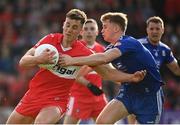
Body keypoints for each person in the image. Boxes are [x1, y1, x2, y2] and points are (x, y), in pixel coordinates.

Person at [6, 9, 146, 124]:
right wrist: (38, 59)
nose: (69, 30)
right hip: (33, 95)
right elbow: (23, 62)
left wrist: (131, 77)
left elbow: (107, 73)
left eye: (74, 27)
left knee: (41, 123)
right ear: (63, 24)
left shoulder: (84, 52)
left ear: (80, 31)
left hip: (57, 101)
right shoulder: (49, 40)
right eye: (67, 25)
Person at [59, 12, 164, 124]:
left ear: (115, 28)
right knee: (102, 122)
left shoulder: (128, 42)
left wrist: (72, 60)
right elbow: (107, 72)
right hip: (128, 92)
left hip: (149, 96)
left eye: (105, 26)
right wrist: (130, 77)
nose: (102, 30)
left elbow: (104, 58)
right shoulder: (110, 48)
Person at [127, 16, 180, 124]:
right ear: (147, 30)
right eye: (151, 29)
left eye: (157, 28)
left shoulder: (165, 50)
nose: (154, 31)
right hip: (133, 89)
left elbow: (176, 70)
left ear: (163, 30)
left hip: (151, 93)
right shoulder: (138, 45)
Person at [63, 19, 107, 124]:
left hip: (98, 97)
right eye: (85, 29)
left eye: (92, 29)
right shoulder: (75, 48)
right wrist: (90, 85)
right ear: (81, 32)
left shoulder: (102, 50)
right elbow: (74, 74)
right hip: (79, 96)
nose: (89, 32)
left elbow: (108, 72)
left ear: (97, 32)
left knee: (107, 121)